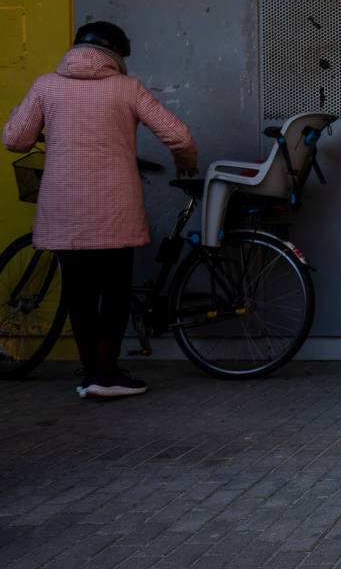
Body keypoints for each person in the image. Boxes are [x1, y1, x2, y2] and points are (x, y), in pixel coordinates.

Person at [3, 21, 197, 399]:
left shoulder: (46, 86)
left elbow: (15, 139)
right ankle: (107, 373)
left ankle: (90, 372)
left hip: (63, 207)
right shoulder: (127, 88)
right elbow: (180, 136)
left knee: (78, 292)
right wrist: (185, 162)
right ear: (116, 53)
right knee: (115, 291)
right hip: (115, 209)